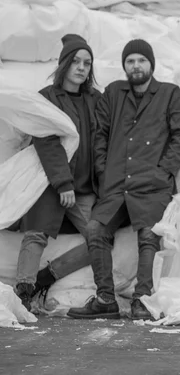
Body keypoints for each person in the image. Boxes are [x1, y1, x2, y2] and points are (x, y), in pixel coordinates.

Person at [66, 39, 180, 320]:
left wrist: (164, 171)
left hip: (152, 184)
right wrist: (103, 171)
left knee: (149, 236)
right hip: (116, 183)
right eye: (130, 61)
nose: (136, 66)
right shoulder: (113, 93)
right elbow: (100, 134)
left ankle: (142, 301)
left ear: (151, 64)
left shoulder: (169, 94)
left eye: (141, 60)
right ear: (125, 66)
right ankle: (105, 299)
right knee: (97, 230)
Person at [14, 34, 100, 311]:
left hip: (85, 187)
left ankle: (45, 277)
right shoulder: (47, 98)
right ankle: (23, 291)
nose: (81, 67)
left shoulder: (96, 100)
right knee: (36, 233)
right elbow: (46, 142)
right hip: (51, 182)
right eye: (76, 61)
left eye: (87, 63)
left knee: (99, 239)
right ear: (64, 64)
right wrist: (62, 183)